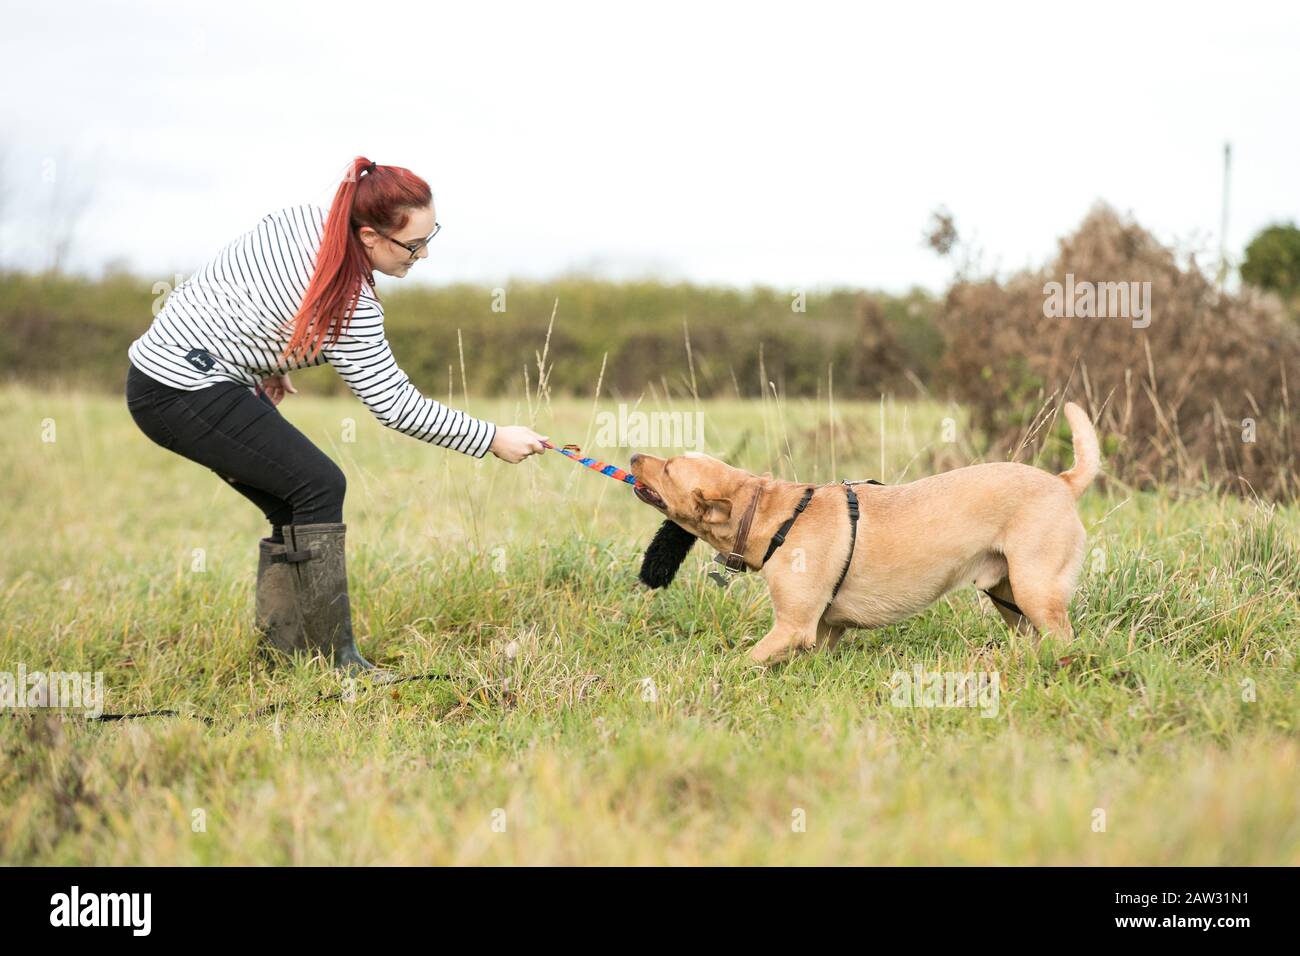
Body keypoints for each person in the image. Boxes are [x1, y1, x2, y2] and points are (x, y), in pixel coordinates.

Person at [125, 156, 547, 673]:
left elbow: (232, 289)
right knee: (319, 485)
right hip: (178, 390)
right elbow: (395, 406)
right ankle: (336, 659)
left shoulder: (300, 222)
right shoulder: (351, 306)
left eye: (430, 236)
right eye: (414, 245)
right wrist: (492, 438)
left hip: (176, 369)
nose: (425, 254)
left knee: (293, 497)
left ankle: (285, 655)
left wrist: (268, 356)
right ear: (369, 236)